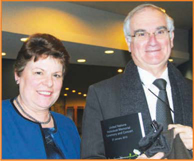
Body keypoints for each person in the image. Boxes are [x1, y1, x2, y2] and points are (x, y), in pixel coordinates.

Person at [81, 4, 192, 159]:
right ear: (129, 43)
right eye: (141, 34)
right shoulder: (102, 95)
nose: (152, 41)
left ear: (171, 38)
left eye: (160, 32)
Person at [2, 33, 80, 159]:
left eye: (56, 75)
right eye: (39, 73)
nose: (49, 83)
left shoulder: (67, 126)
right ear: (18, 75)